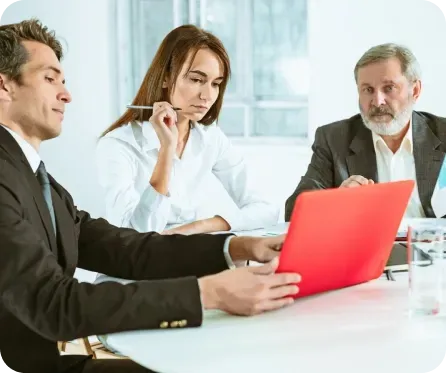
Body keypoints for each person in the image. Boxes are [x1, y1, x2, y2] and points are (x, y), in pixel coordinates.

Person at [0, 19, 301, 373]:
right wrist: (210, 293)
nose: (67, 94)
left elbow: (127, 247)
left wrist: (236, 247)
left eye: (63, 81)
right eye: (50, 79)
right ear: (4, 86)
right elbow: (54, 304)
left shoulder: (35, 176)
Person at [96, 24, 279, 235]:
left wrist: (201, 226)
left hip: (187, 256)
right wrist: (166, 149)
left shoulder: (210, 137)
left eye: (215, 83)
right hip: (138, 264)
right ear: (165, 78)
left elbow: (266, 209)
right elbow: (134, 234)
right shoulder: (118, 145)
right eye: (196, 80)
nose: (208, 96)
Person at [285, 43, 446, 221]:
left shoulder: (443, 134)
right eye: (368, 90)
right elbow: (293, 212)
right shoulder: (334, 139)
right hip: (363, 247)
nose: (377, 102)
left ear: (415, 90)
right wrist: (336, 201)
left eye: (389, 88)